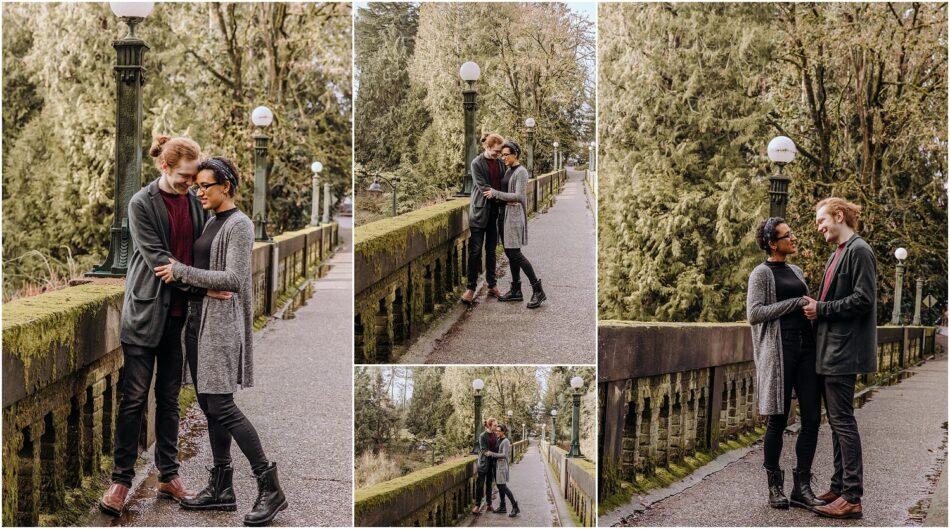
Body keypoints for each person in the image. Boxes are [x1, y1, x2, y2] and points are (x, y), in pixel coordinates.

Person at [153, 157, 287, 526]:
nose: (199, 193)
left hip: (222, 327)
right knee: (209, 405)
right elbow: (213, 277)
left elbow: (233, 279)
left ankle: (269, 486)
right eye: (196, 187)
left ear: (225, 186)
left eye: (205, 186)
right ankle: (222, 487)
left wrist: (181, 272)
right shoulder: (212, 221)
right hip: (199, 324)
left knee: (222, 405)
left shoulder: (240, 225)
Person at [99, 135, 211, 516]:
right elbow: (159, 262)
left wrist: (202, 280)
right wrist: (205, 283)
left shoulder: (196, 203)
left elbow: (202, 252)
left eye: (194, 177)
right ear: (165, 167)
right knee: (132, 401)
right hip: (145, 316)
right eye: (184, 176)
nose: (190, 183)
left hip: (180, 318)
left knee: (169, 400)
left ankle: (168, 474)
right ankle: (120, 481)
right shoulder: (141, 203)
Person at [803, 197, 877, 520]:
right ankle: (838, 485)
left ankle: (852, 496)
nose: (819, 227)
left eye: (822, 220)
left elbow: (863, 299)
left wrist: (821, 309)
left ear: (839, 215)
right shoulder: (839, 253)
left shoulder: (859, 251)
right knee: (836, 421)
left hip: (843, 351)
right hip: (830, 350)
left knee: (843, 421)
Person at [746, 218, 824, 511]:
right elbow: (754, 314)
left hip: (805, 351)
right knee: (777, 421)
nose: (793, 238)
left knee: (813, 419)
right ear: (771, 243)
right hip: (779, 353)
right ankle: (774, 486)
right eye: (786, 235)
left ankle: (801, 487)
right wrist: (795, 303)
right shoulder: (761, 274)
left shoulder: (796, 270)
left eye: (791, 233)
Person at [484, 141, 546, 308]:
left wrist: (496, 193)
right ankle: (516, 290)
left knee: (515, 254)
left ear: (515, 155)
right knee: (510, 254)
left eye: (506, 155)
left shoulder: (521, 172)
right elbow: (508, 193)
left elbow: (519, 196)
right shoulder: (508, 170)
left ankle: (538, 290)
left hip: (513, 217)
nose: (503, 158)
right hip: (504, 216)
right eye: (502, 155)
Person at [462, 133, 506, 304]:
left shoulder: (500, 163)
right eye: (495, 151)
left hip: (495, 213)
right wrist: (503, 196)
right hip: (480, 212)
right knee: (475, 251)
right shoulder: (476, 163)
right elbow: (484, 188)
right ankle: (470, 288)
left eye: (500, 151)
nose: (498, 154)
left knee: (491, 250)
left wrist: (502, 196)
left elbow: (503, 183)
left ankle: (492, 284)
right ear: (487, 147)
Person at [485, 424, 519, 517]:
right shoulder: (498, 439)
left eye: (499, 431)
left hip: (502, 467)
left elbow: (504, 455)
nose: (497, 432)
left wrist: (492, 453)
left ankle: (515, 507)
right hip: (496, 467)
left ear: (503, 431)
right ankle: (502, 507)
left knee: (503, 487)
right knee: (500, 487)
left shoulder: (506, 441)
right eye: (496, 431)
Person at [471, 417, 499, 514]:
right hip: (483, 464)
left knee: (489, 484)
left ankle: (489, 504)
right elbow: (484, 451)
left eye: (496, 425)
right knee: (480, 485)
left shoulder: (495, 435)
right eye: (495, 425)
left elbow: (496, 449)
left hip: (492, 464)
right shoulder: (482, 436)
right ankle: (477, 505)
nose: (496, 427)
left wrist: (496, 455)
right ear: (489, 425)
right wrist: (494, 454)